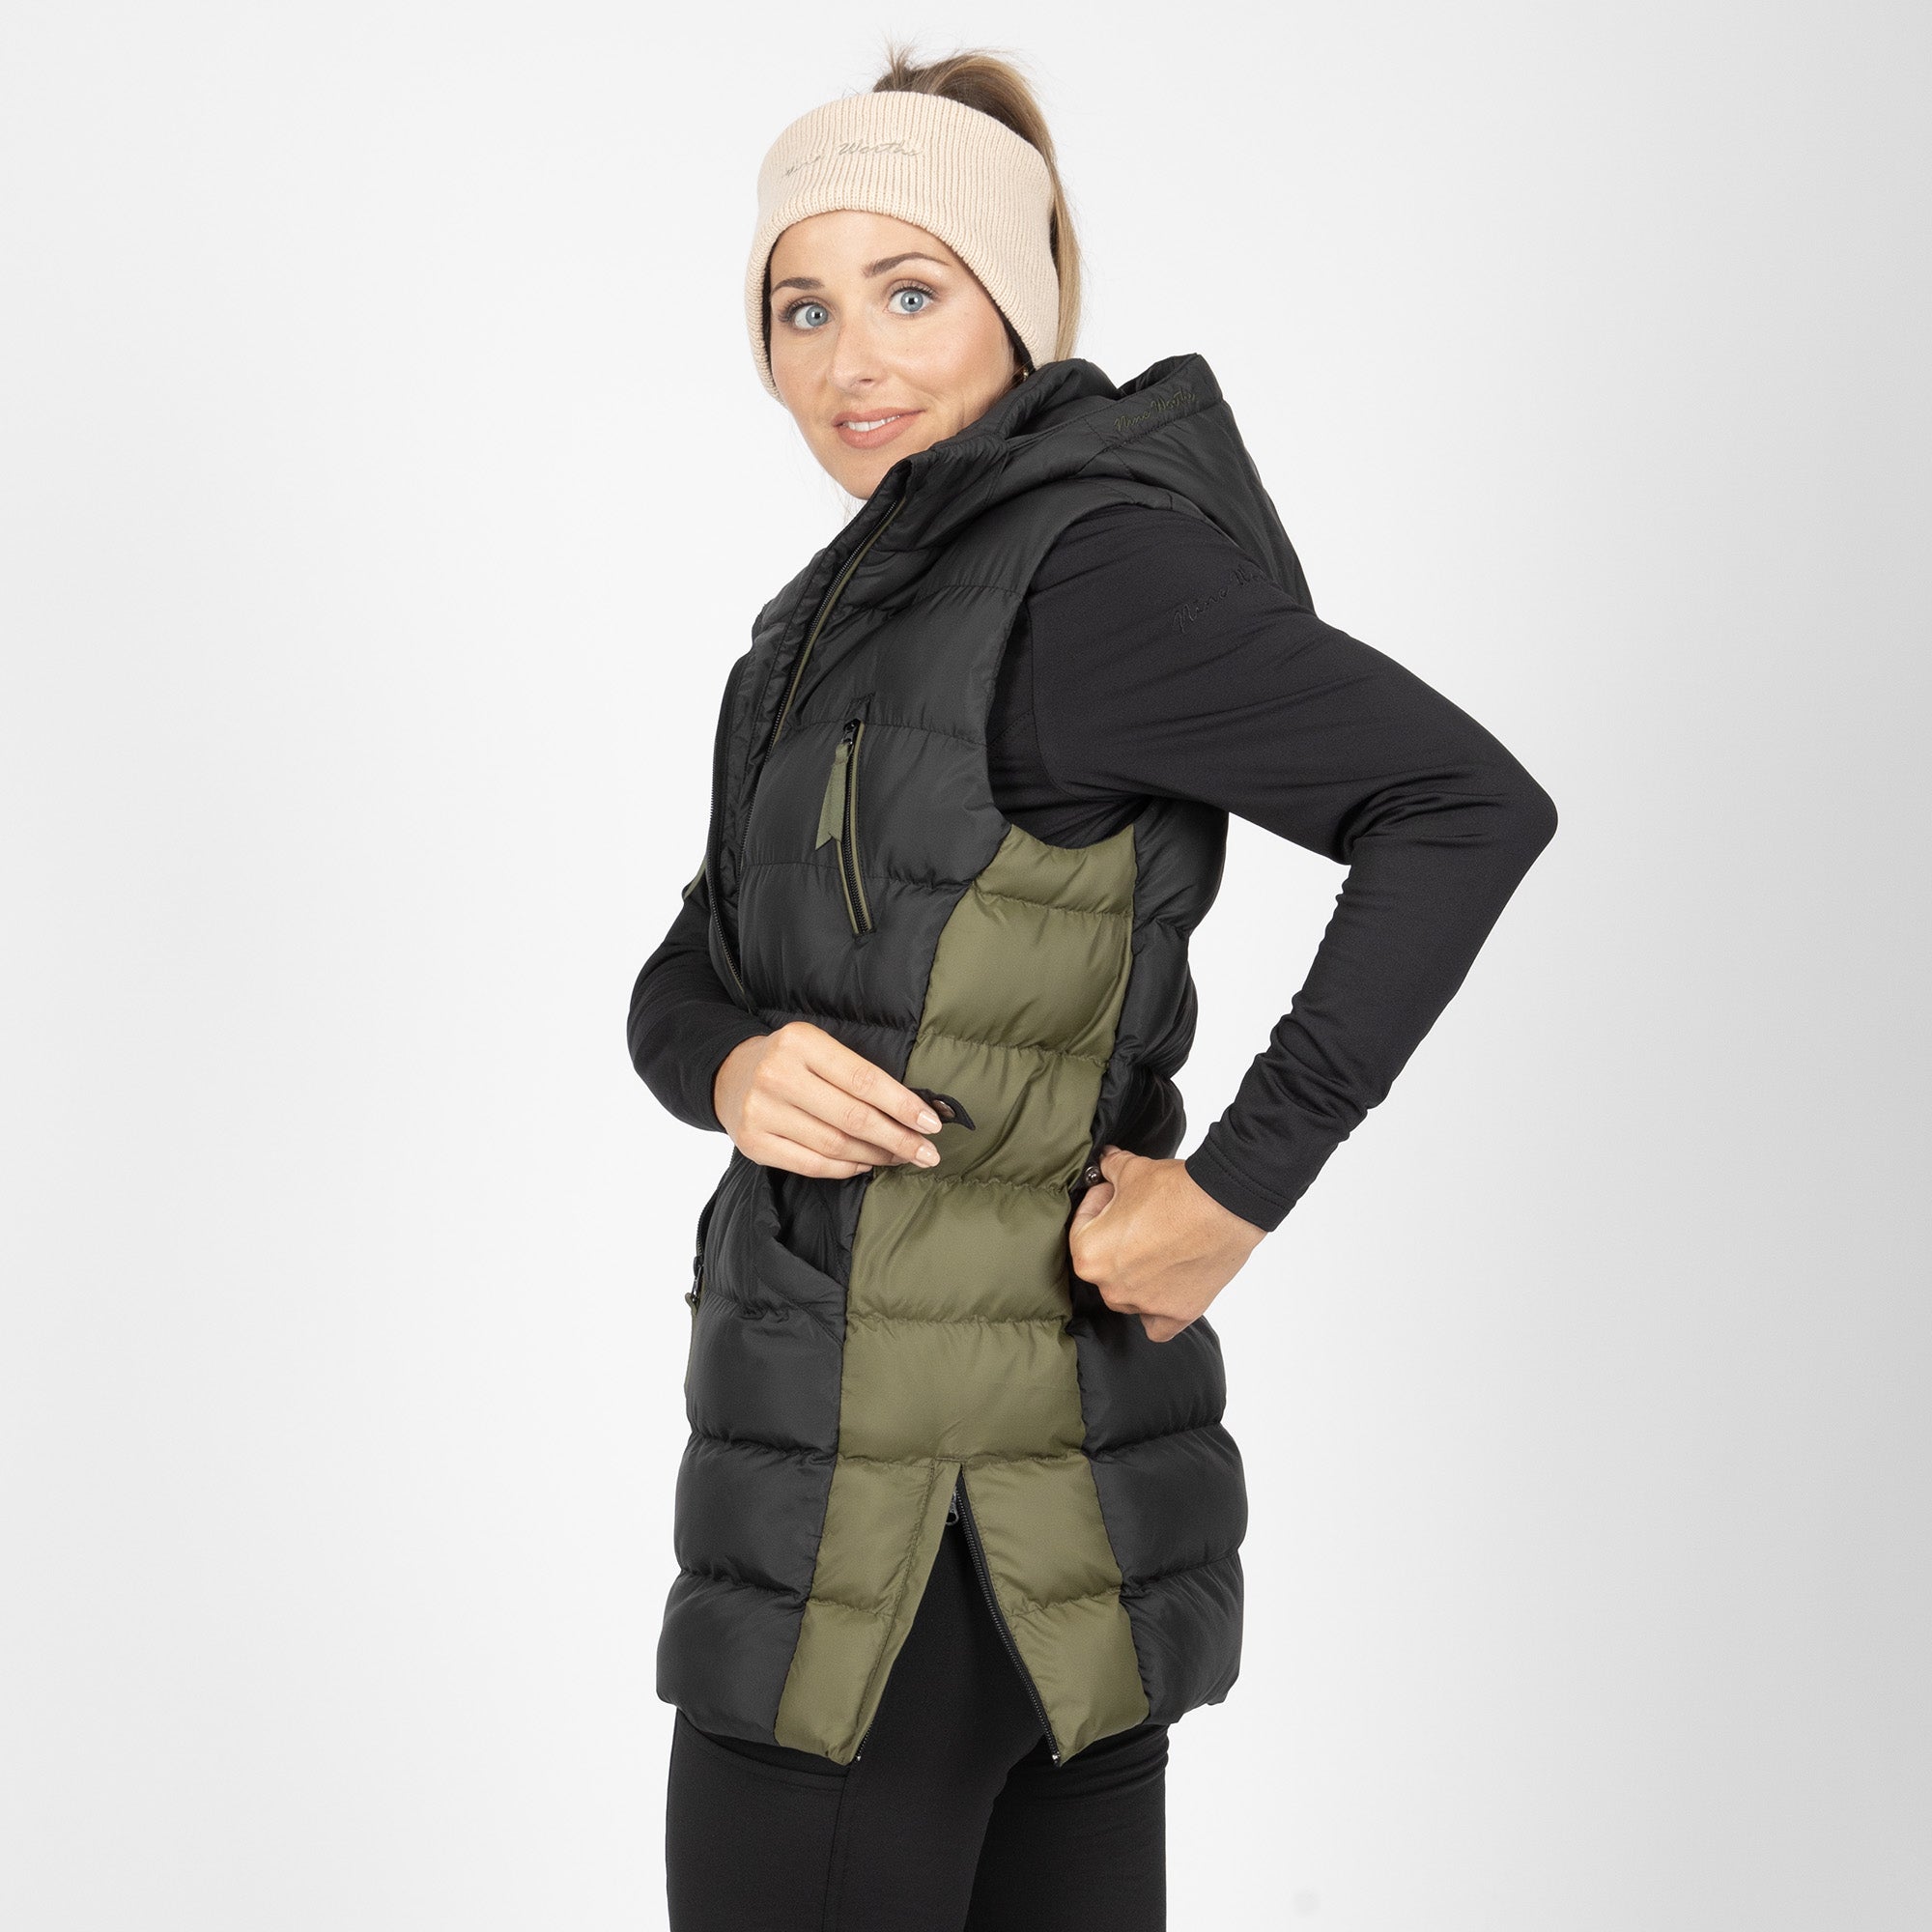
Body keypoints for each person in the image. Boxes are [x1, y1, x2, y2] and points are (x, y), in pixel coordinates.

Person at [626, 47, 1557, 1932]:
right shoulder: (826, 625)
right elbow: (689, 965)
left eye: (910, 292)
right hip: (932, 1500)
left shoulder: (1085, 574)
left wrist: (1240, 1187)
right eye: (802, 307)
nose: (850, 360)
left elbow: (1461, 805)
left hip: (900, 1540)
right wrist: (725, 1061)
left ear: (1020, 298)